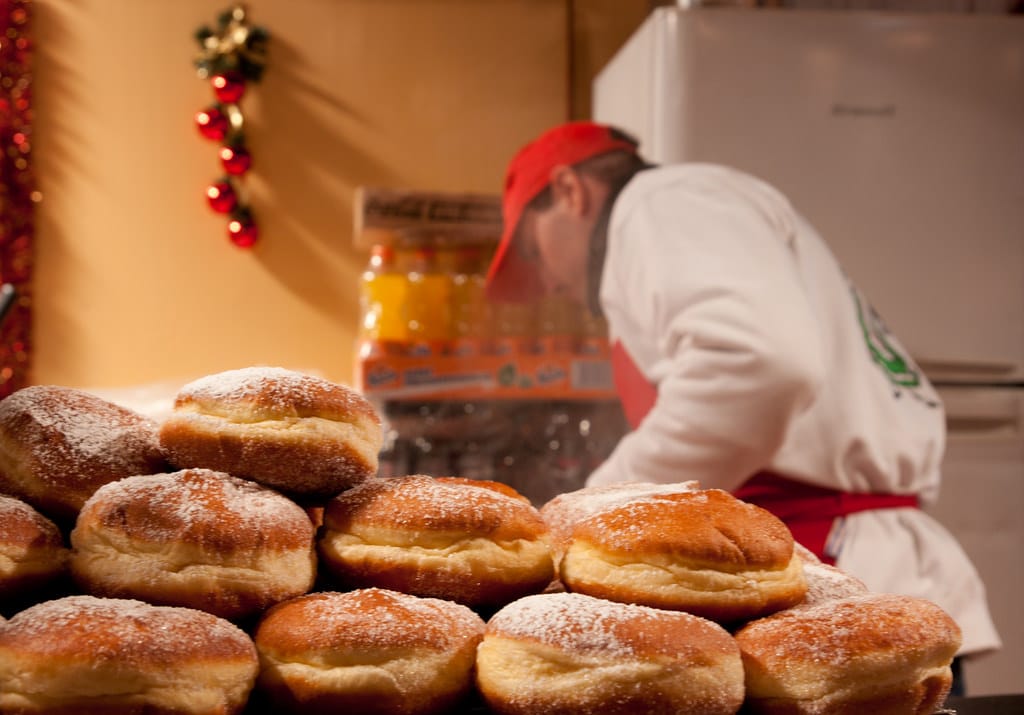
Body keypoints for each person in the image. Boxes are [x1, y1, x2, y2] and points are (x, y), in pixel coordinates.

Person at [484, 120, 1001, 689]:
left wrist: (604, 511)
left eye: (535, 251)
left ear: (569, 191)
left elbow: (757, 364)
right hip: (846, 592)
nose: (549, 284)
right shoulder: (684, 211)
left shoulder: (666, 203)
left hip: (840, 589)